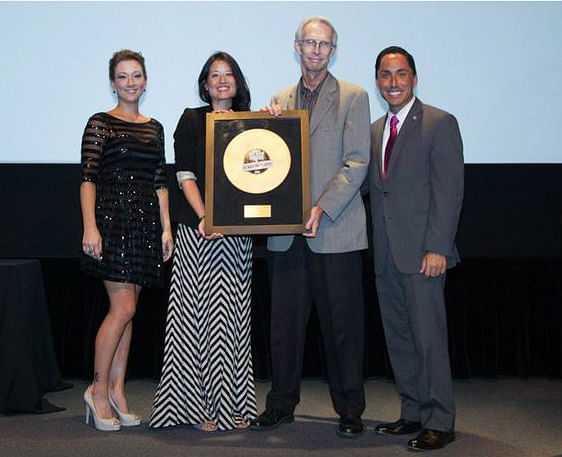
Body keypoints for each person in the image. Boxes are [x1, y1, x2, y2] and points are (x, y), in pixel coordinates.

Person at [249, 17, 370, 437]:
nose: (316, 50)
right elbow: (268, 165)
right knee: (283, 327)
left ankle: (350, 410)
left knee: (343, 328)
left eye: (324, 44)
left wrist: (321, 207)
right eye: (309, 43)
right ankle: (281, 404)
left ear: (333, 50)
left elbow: (357, 162)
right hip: (286, 236)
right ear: (296, 47)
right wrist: (265, 125)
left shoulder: (354, 97)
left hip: (335, 230)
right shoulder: (278, 100)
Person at [149, 52, 257, 432]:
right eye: (215, 75)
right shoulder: (192, 119)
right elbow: (185, 174)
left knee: (231, 322)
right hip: (199, 230)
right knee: (194, 321)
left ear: (238, 82)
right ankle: (196, 408)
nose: (222, 81)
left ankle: (234, 403)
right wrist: (203, 216)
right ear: (205, 84)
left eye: (228, 74)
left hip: (237, 237)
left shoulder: (251, 124)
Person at [367, 46, 464, 451]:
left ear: (414, 78)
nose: (393, 82)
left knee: (428, 340)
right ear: (378, 81)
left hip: (425, 255)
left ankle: (440, 420)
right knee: (400, 340)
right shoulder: (374, 130)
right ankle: (412, 413)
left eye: (401, 74)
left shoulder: (440, 123)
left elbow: (449, 190)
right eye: (386, 75)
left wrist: (438, 247)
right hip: (387, 255)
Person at [80, 49, 174, 431]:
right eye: (122, 76)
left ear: (146, 80)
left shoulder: (155, 127)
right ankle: (97, 391)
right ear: (113, 82)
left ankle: (117, 391)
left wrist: (166, 228)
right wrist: (90, 226)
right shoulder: (100, 123)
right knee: (121, 309)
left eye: (136, 76)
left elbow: (159, 181)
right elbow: (87, 177)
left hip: (145, 226)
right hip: (111, 222)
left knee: (130, 309)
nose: (130, 82)